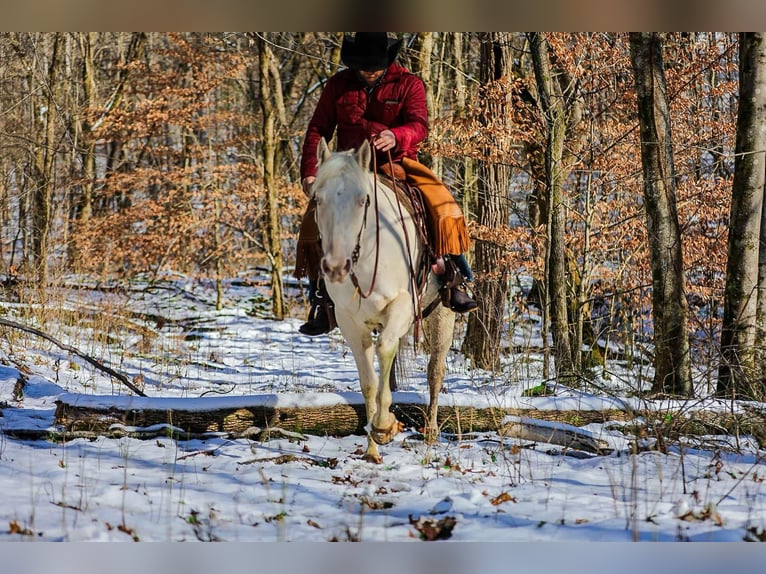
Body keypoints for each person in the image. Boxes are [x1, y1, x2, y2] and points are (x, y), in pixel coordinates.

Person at [295, 32, 477, 336]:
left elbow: (419, 125)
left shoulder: (409, 84)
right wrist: (310, 172)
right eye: (362, 68)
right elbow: (318, 128)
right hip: (348, 169)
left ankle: (455, 277)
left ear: (387, 62)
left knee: (442, 204)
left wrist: (397, 135)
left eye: (374, 68)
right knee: (315, 218)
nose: (368, 73)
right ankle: (320, 296)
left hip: (398, 164)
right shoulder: (338, 85)